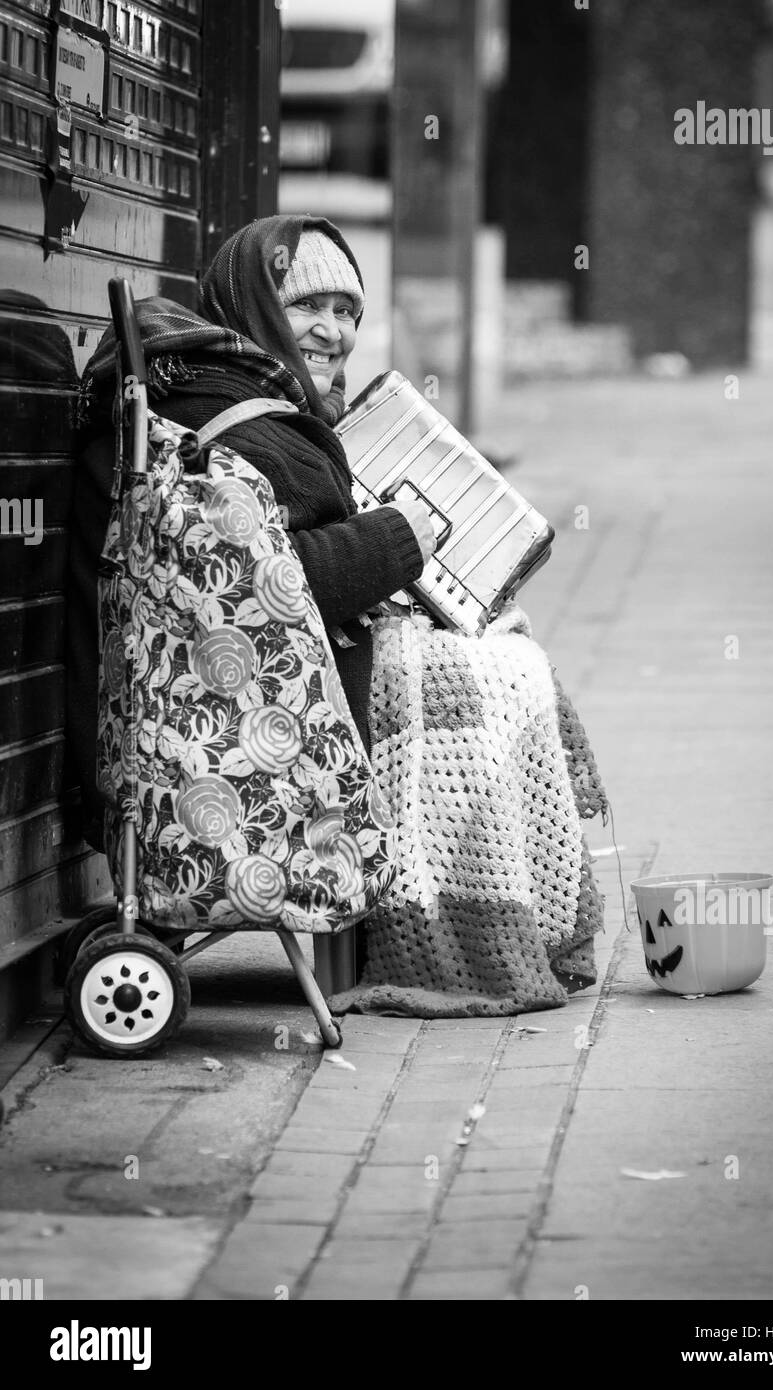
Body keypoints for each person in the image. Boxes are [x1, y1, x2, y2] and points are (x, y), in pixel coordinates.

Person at [67, 214, 607, 1018]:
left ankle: (503, 917)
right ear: (253, 303)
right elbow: (278, 580)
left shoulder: (248, 396)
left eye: (349, 310)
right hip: (254, 708)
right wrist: (403, 536)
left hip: (273, 678)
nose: (334, 330)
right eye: (308, 305)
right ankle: (455, 923)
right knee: (490, 677)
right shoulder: (224, 410)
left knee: (506, 657)